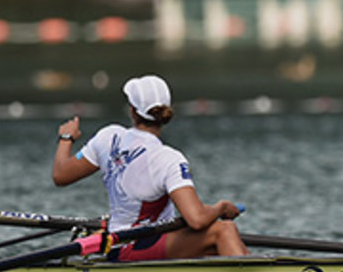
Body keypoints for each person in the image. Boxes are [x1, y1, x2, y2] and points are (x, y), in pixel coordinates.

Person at [52, 74, 248, 260]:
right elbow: (196, 219)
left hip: (122, 243)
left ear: (132, 110)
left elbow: (60, 175)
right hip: (137, 246)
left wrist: (66, 138)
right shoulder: (169, 158)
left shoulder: (108, 137)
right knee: (224, 230)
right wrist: (221, 207)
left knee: (219, 240)